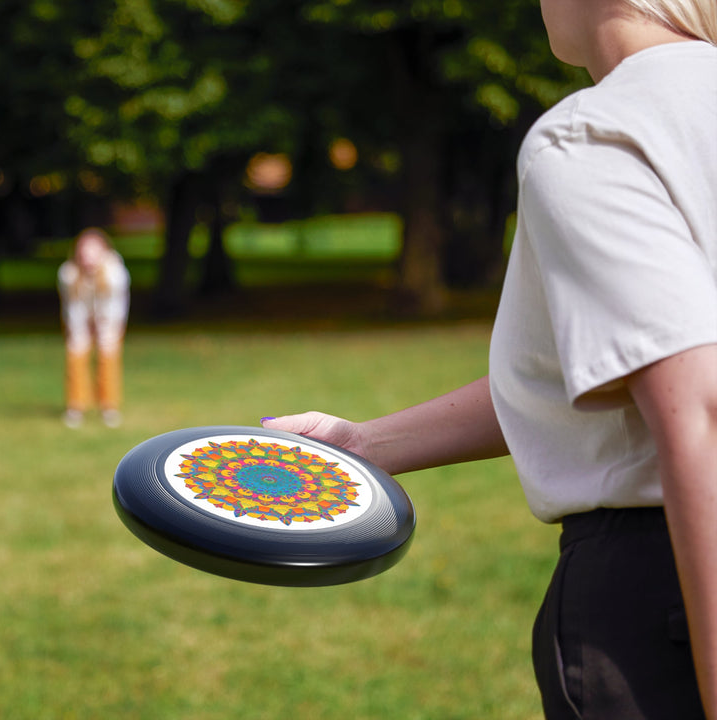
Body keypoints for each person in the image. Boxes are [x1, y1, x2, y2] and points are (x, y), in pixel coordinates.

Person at [261, 1, 717, 717]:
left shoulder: (597, 135)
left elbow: (699, 408)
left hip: (666, 595)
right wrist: (365, 444)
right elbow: (609, 369)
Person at [57, 227, 130, 428]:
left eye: (93, 251)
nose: (88, 256)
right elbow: (73, 306)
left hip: (109, 319)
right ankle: (76, 406)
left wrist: (103, 326)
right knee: (76, 354)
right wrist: (81, 328)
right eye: (84, 251)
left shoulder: (115, 273)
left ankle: (109, 406)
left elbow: (115, 306)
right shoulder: (68, 274)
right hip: (79, 319)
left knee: (108, 357)